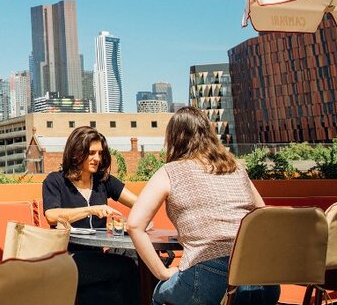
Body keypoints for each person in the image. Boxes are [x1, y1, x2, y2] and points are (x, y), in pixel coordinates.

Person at [126, 107, 280, 305]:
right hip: (262, 277)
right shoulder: (236, 167)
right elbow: (264, 215)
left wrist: (162, 272)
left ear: (174, 138)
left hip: (211, 278)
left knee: (159, 295)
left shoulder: (170, 172)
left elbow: (134, 225)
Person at [43, 126, 140, 305]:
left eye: (100, 153)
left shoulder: (104, 181)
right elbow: (51, 215)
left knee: (137, 259)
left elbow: (140, 203)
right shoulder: (55, 181)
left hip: (97, 256)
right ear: (76, 152)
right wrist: (91, 209)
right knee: (126, 268)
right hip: (67, 259)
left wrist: (134, 221)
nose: (97, 158)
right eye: (91, 153)